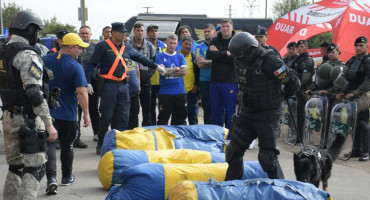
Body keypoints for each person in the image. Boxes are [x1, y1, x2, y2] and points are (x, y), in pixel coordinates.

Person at [226, 32, 300, 180]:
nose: (238, 59)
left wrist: (280, 98)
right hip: (247, 112)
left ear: (249, 50)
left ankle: (281, 192)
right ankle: (231, 188)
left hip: (268, 115)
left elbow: (294, 83)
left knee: (267, 158)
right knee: (233, 151)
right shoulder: (239, 59)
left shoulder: (270, 61)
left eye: (240, 56)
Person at [0, 10, 58, 199]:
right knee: (35, 169)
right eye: (36, 31)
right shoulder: (26, 54)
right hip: (28, 120)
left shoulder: (3, 52)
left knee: (16, 167)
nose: (37, 36)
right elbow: (33, 93)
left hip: (9, 117)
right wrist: (48, 123)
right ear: (29, 29)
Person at [87, 22, 165, 155]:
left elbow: (140, 58)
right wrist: (87, 82)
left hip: (124, 85)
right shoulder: (102, 46)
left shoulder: (126, 46)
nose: (124, 35)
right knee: (106, 115)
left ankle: (119, 144)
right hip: (108, 86)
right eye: (121, 32)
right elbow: (91, 64)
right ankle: (101, 143)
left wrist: (155, 66)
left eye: (125, 33)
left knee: (123, 116)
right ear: (114, 33)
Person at [43, 33, 90, 194]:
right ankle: (67, 177)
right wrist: (86, 114)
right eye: (79, 48)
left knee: (49, 146)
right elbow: (82, 92)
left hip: (47, 114)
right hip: (68, 114)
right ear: (70, 48)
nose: (81, 52)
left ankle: (51, 179)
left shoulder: (44, 60)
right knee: (67, 146)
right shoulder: (76, 66)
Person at [338, 36, 370, 161]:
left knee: (363, 123)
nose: (358, 48)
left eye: (361, 45)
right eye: (356, 45)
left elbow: (368, 81)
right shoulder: (352, 60)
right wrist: (342, 91)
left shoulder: (367, 60)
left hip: (362, 96)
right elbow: (346, 77)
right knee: (354, 123)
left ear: (366, 46)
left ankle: (366, 152)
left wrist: (356, 92)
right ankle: (357, 150)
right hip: (350, 95)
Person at [206, 18, 237, 138]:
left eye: (227, 26)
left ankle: (230, 138)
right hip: (215, 81)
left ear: (232, 27)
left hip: (230, 81)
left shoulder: (236, 41)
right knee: (216, 112)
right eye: (223, 26)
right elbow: (209, 55)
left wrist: (218, 53)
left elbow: (234, 59)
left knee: (230, 113)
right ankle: (218, 137)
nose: (225, 28)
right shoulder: (215, 39)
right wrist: (225, 53)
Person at [129, 22, 156, 126]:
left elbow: (154, 64)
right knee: (133, 110)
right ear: (134, 32)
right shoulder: (128, 46)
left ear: (144, 32)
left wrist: (148, 76)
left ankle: (146, 132)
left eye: (141, 30)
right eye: (137, 30)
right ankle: (133, 132)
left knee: (147, 110)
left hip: (145, 82)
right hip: (132, 83)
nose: (140, 33)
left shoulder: (149, 46)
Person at [156, 33, 187, 125]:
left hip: (180, 92)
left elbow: (184, 72)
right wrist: (176, 69)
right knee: (163, 119)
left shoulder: (180, 56)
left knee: (181, 120)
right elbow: (162, 72)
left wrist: (168, 70)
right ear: (166, 43)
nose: (173, 45)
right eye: (170, 43)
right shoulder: (160, 56)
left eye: (174, 43)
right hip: (165, 93)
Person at [76, 25, 99, 145]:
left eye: (87, 33)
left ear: (91, 35)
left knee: (93, 108)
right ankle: (76, 136)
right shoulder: (76, 48)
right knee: (78, 111)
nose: (85, 35)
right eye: (82, 33)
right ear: (79, 34)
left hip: (93, 83)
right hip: (77, 83)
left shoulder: (96, 48)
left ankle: (97, 132)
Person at [291, 39, 315, 142]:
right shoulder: (297, 59)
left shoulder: (308, 60)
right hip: (297, 90)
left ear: (306, 48)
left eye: (302, 47)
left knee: (303, 115)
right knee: (297, 115)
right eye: (298, 47)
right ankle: (298, 136)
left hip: (303, 91)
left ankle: (303, 137)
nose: (299, 49)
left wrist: (296, 85)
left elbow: (305, 78)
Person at [147, 24, 167, 125]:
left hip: (161, 81)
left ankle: (161, 127)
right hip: (149, 81)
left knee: (162, 107)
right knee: (150, 108)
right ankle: (152, 128)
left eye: (155, 31)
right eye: (151, 31)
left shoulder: (164, 46)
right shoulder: (145, 46)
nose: (154, 32)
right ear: (147, 33)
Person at [196, 24, 215, 124]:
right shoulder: (199, 47)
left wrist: (206, 61)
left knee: (218, 109)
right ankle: (207, 132)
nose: (206, 33)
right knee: (207, 108)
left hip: (217, 80)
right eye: (205, 31)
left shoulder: (218, 45)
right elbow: (200, 64)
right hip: (204, 81)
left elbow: (204, 62)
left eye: (209, 31)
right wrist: (215, 60)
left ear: (214, 32)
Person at [180, 36, 199, 125]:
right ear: (181, 44)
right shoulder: (176, 56)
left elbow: (198, 73)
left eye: (190, 44)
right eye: (186, 44)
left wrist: (196, 85)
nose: (188, 46)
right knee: (179, 116)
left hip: (191, 91)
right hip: (178, 92)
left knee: (192, 116)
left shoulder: (194, 57)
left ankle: (195, 137)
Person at [124, 33, 141, 130]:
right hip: (123, 90)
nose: (126, 43)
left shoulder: (133, 53)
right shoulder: (118, 54)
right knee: (124, 115)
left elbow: (137, 68)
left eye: (127, 41)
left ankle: (134, 135)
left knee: (135, 113)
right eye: (124, 41)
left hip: (134, 89)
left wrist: (139, 84)